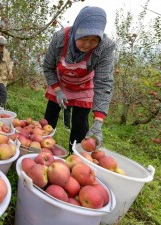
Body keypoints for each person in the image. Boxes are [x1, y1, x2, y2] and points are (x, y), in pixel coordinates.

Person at [42, 6, 115, 151]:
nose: (87, 44)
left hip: (84, 86)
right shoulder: (60, 38)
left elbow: (104, 83)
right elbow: (48, 67)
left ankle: (74, 154)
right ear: (76, 31)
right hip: (60, 83)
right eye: (84, 38)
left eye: (94, 40)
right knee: (49, 118)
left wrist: (98, 122)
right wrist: (57, 91)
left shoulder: (105, 47)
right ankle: (42, 145)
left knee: (80, 125)